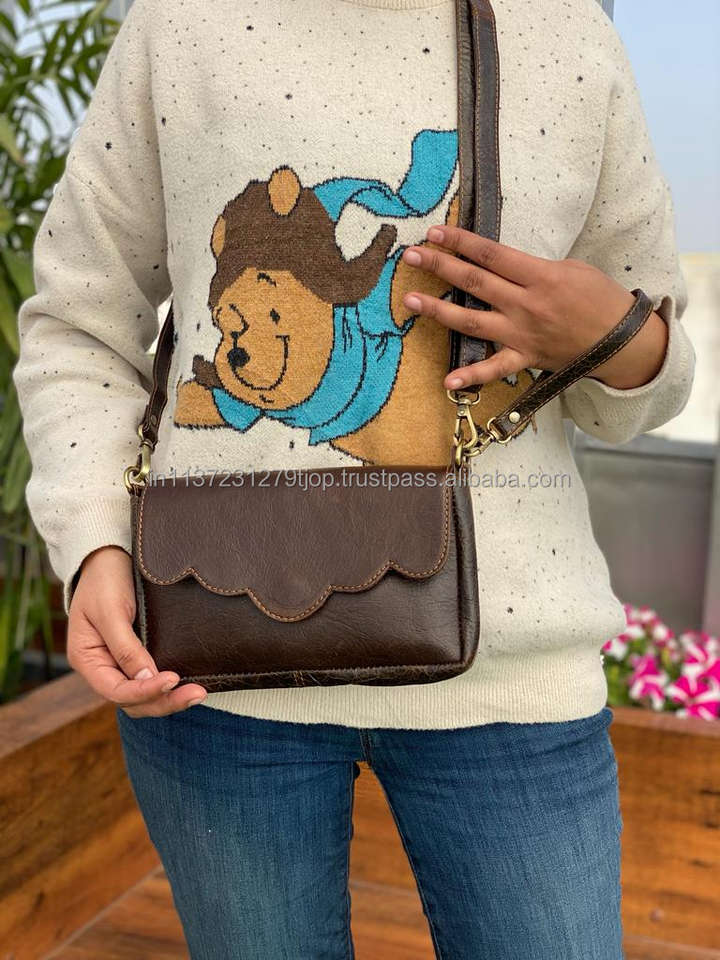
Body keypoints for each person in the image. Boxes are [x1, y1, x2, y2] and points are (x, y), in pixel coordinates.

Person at [12, 0, 695, 957]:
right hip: (214, 674)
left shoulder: (565, 32)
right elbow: (78, 321)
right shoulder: (180, 23)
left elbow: (646, 378)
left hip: (516, 680)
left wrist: (610, 338)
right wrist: (91, 544)